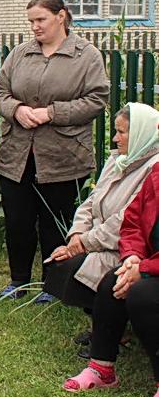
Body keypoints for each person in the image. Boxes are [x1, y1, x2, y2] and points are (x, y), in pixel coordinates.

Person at [0, 0, 109, 300]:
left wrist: (51, 113)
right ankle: (18, 280)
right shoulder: (20, 53)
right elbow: (0, 92)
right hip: (17, 154)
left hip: (63, 156)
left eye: (40, 19)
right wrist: (17, 109)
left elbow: (97, 100)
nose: (34, 27)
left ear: (62, 16)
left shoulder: (86, 56)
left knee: (53, 223)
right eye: (31, 21)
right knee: (17, 220)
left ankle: (51, 285)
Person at [44, 104, 159, 326]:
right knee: (60, 263)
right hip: (99, 238)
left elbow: (126, 221)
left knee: (76, 267)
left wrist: (85, 243)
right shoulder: (118, 159)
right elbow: (91, 201)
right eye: (115, 131)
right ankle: (101, 325)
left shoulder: (152, 169)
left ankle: (111, 329)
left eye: (122, 132)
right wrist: (77, 235)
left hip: (123, 248)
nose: (115, 138)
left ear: (140, 134)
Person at [62, 158, 159, 397]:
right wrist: (132, 258)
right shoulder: (157, 173)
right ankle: (102, 369)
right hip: (148, 263)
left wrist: (146, 269)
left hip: (154, 267)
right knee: (111, 282)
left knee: (143, 296)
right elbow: (133, 222)